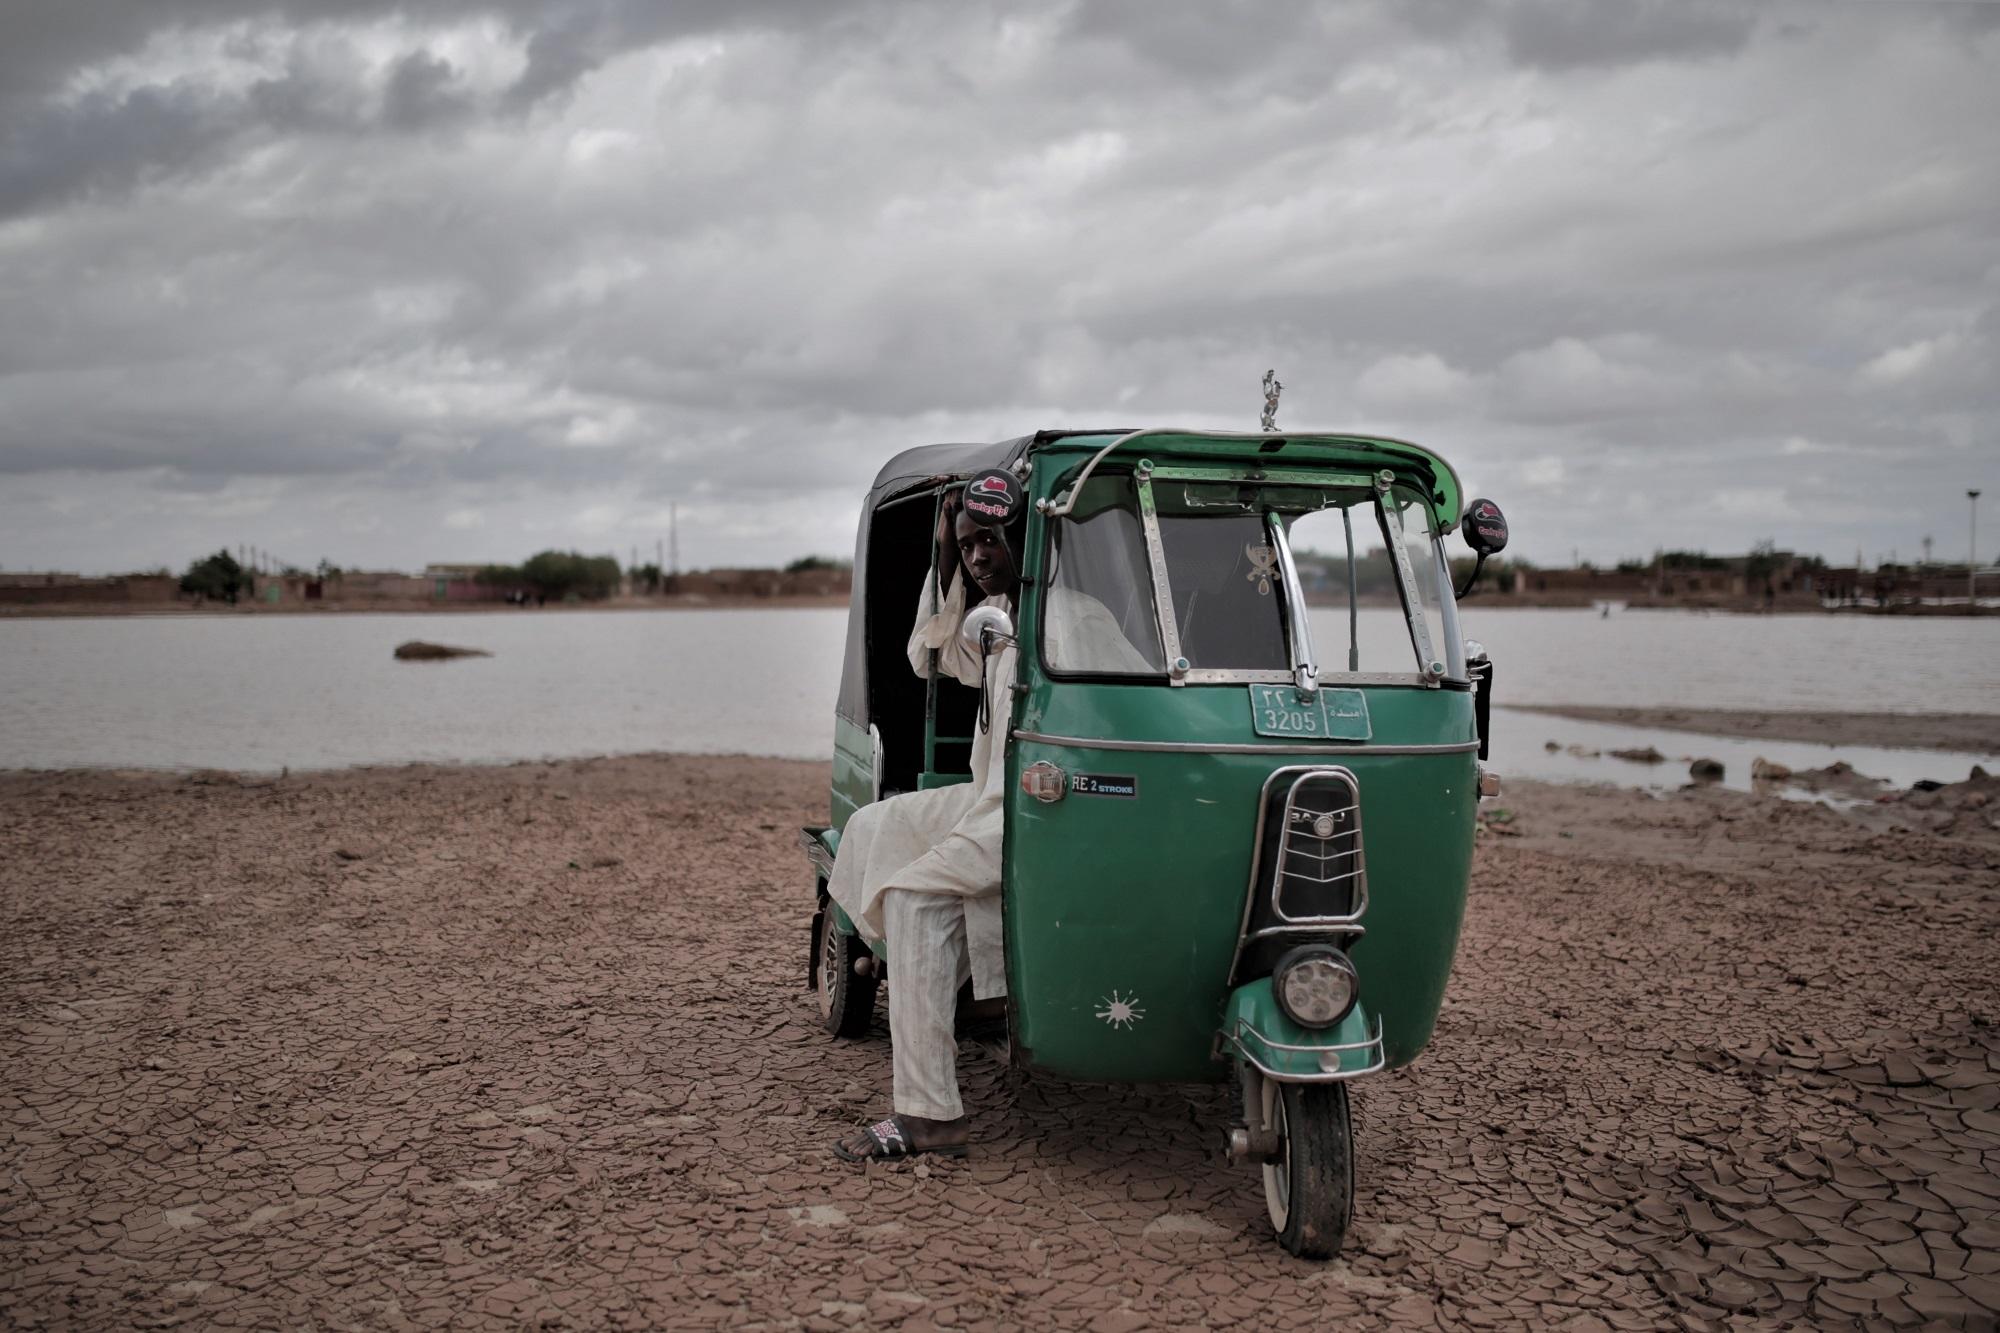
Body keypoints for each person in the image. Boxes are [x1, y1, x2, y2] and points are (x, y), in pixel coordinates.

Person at [829, 489, 1149, 1161]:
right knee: (873, 825)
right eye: (969, 543)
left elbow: (1131, 717)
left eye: (989, 540)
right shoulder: (1001, 618)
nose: (978, 556)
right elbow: (932, 655)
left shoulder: (1071, 619)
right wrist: (944, 551)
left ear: (1029, 539)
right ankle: (960, 987)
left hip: (1047, 807)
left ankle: (929, 1115)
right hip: (989, 795)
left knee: (915, 898)